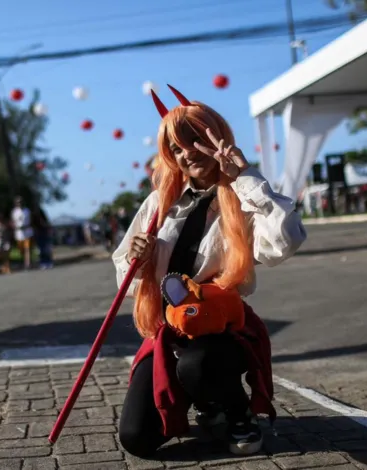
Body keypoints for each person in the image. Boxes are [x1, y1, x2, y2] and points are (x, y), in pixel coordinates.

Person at [113, 86, 306, 458]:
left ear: (215, 137)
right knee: (136, 437)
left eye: (195, 139)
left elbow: (288, 240)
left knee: (199, 363)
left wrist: (245, 177)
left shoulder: (244, 194)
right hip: (168, 330)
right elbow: (126, 275)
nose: (188, 153)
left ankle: (232, 412)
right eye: (176, 148)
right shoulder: (159, 202)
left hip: (221, 331)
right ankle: (205, 400)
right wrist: (136, 258)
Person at [11, 196, 33, 270]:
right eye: (18, 202)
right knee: (21, 249)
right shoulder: (14, 212)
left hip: (27, 232)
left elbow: (30, 220)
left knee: (27, 248)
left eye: (20, 202)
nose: (19, 203)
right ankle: (24, 261)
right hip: (19, 233)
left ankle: (28, 264)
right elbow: (13, 222)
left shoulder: (27, 210)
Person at [32, 205, 53, 269]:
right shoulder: (34, 219)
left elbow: (47, 225)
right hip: (38, 234)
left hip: (44, 234)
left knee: (46, 249)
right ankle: (43, 262)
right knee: (40, 250)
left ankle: (48, 262)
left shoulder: (44, 222)